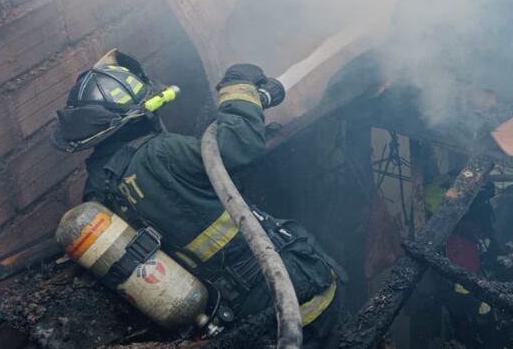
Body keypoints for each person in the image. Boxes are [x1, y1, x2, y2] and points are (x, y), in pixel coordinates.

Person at [51, 49, 341, 346]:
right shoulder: (161, 153)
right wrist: (238, 87)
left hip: (234, 322)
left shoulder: (98, 194)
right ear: (142, 111)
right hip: (288, 294)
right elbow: (238, 144)